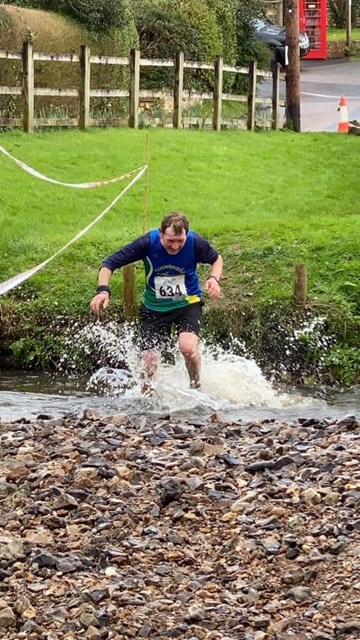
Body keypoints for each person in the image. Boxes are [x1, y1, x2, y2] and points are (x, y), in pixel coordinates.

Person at [90, 212, 223, 392]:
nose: (175, 246)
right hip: (154, 308)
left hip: (187, 303)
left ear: (186, 235)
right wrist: (103, 290)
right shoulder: (147, 243)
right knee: (148, 364)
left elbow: (216, 259)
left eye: (180, 241)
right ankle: (147, 401)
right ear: (161, 233)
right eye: (170, 241)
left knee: (188, 347)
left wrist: (214, 278)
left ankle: (195, 384)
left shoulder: (195, 242)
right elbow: (110, 263)